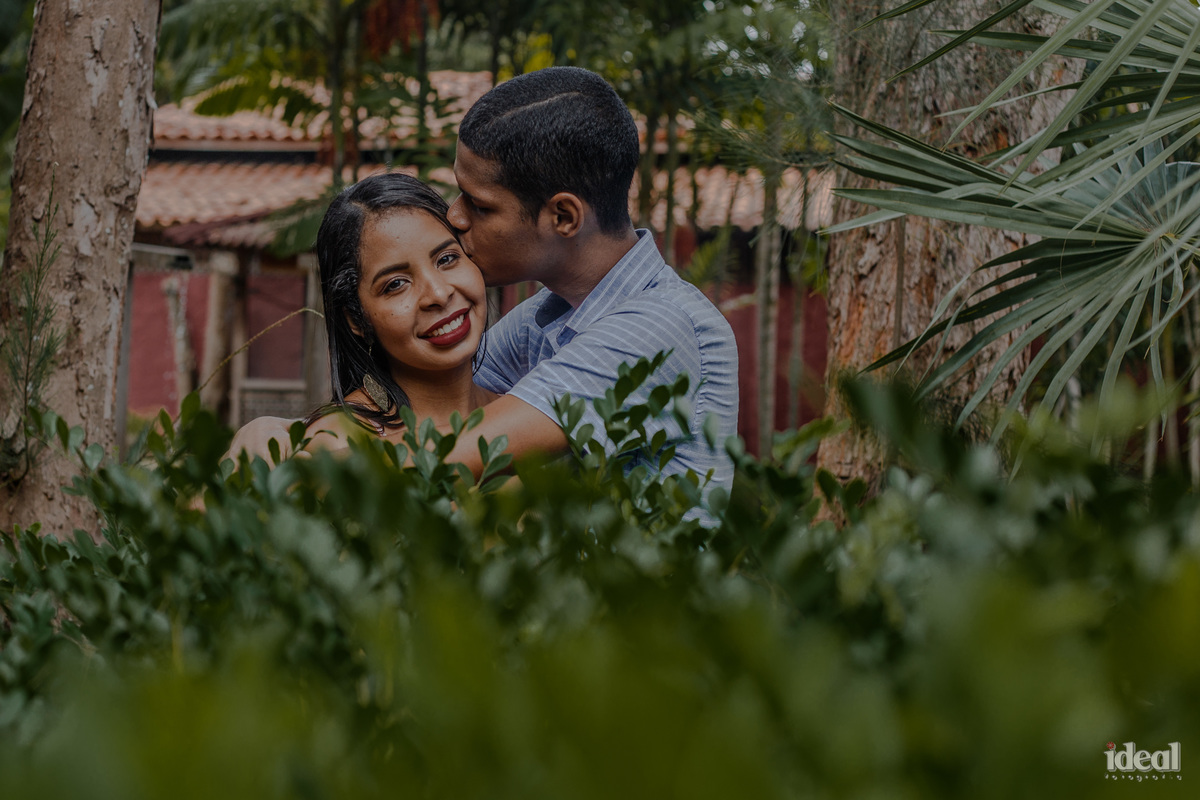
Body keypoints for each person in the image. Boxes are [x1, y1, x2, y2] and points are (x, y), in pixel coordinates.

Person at [232, 66, 738, 499]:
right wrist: (286, 430)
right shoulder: (550, 315)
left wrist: (282, 449)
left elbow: (455, 453)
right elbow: (431, 395)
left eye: (479, 204)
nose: (453, 215)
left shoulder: (657, 329)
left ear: (563, 216)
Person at [299, 172, 496, 448]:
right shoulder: (340, 441)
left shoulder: (530, 411)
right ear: (356, 318)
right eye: (396, 284)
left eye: (447, 258)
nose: (439, 294)